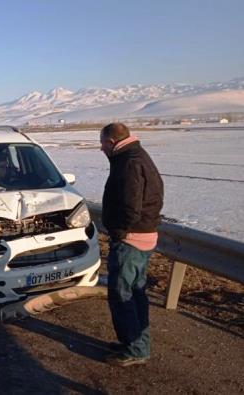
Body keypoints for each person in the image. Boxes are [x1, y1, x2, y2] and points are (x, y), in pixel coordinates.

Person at [100, 122, 164, 367]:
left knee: (122, 294)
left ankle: (136, 349)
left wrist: (118, 232)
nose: (101, 148)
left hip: (131, 240)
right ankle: (135, 343)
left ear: (111, 142)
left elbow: (130, 206)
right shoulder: (136, 155)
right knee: (135, 293)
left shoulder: (128, 162)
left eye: (102, 143)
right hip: (143, 236)